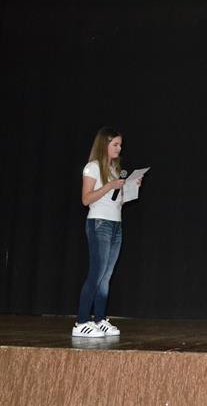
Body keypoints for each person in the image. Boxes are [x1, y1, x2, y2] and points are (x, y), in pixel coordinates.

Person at [72, 127, 141, 337]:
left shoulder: (113, 169)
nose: (119, 148)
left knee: (106, 276)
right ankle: (81, 322)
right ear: (104, 145)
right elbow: (86, 199)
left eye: (120, 145)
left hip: (115, 224)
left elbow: (116, 201)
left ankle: (100, 319)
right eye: (115, 144)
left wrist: (131, 188)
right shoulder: (93, 167)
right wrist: (110, 185)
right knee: (97, 273)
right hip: (99, 223)